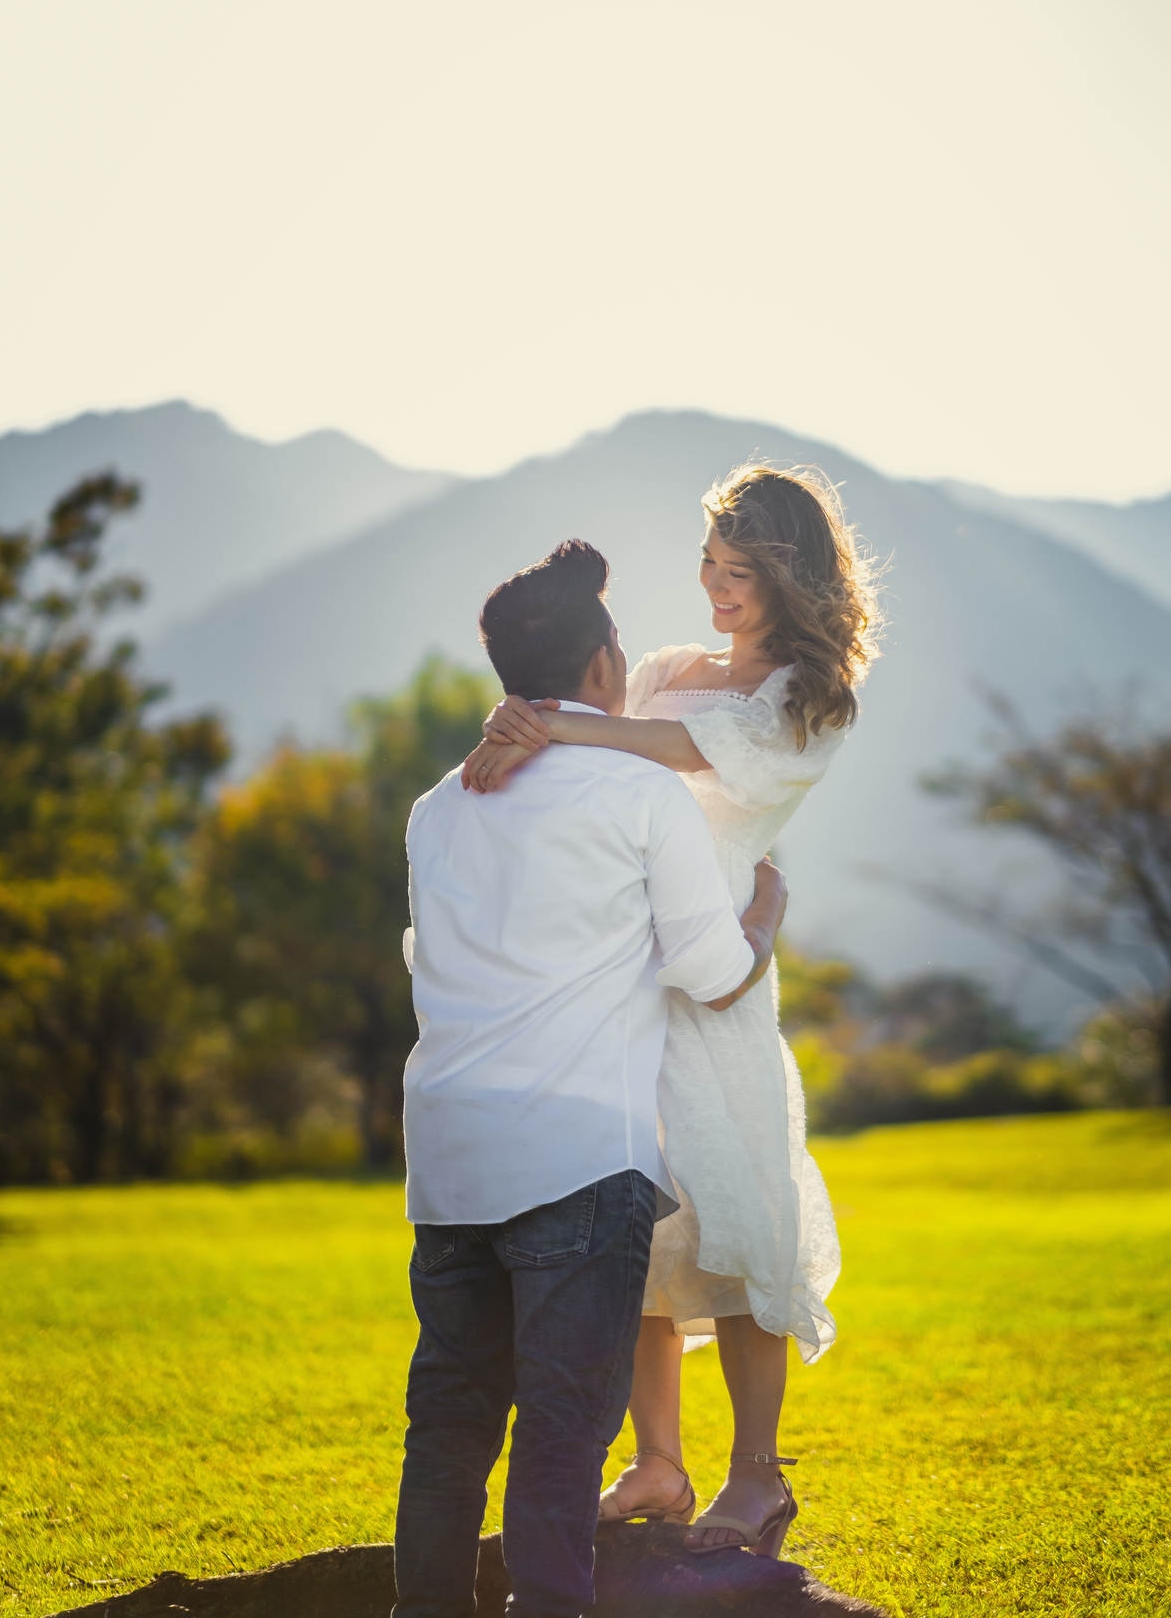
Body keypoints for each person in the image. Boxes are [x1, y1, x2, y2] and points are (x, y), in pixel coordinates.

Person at [462, 464, 880, 1556]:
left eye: (740, 572)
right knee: (633, 1220)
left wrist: (554, 726)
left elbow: (684, 754)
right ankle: (658, 1462)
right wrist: (520, 732)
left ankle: (758, 1476)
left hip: (719, 979)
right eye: (709, 563)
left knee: (736, 1229)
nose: (716, 587)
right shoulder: (658, 668)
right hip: (620, 977)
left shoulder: (806, 699)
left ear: (791, 579)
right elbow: (597, 758)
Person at [393, 537, 790, 1618]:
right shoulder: (635, 793)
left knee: (449, 1432)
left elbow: (423, 958)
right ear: (606, 666)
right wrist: (762, 919)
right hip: (577, 1162)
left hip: (448, 1162)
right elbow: (709, 977)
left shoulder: (438, 808)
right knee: (563, 1437)